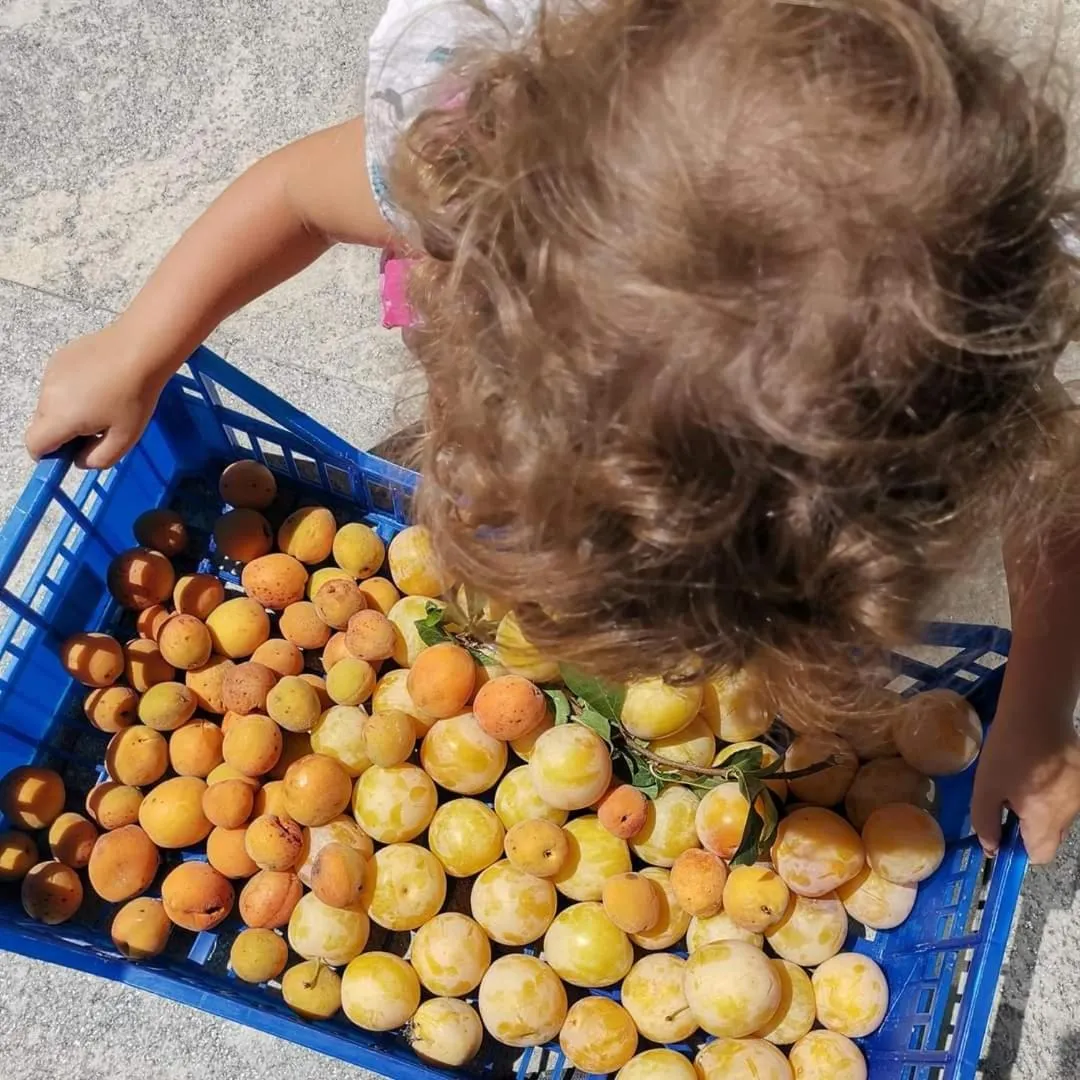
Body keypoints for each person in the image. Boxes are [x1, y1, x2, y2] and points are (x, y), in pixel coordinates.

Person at [23, 0, 1080, 863]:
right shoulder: (462, 137)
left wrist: (1033, 710)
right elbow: (300, 192)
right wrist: (141, 344)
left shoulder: (978, 326)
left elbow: (1053, 474)